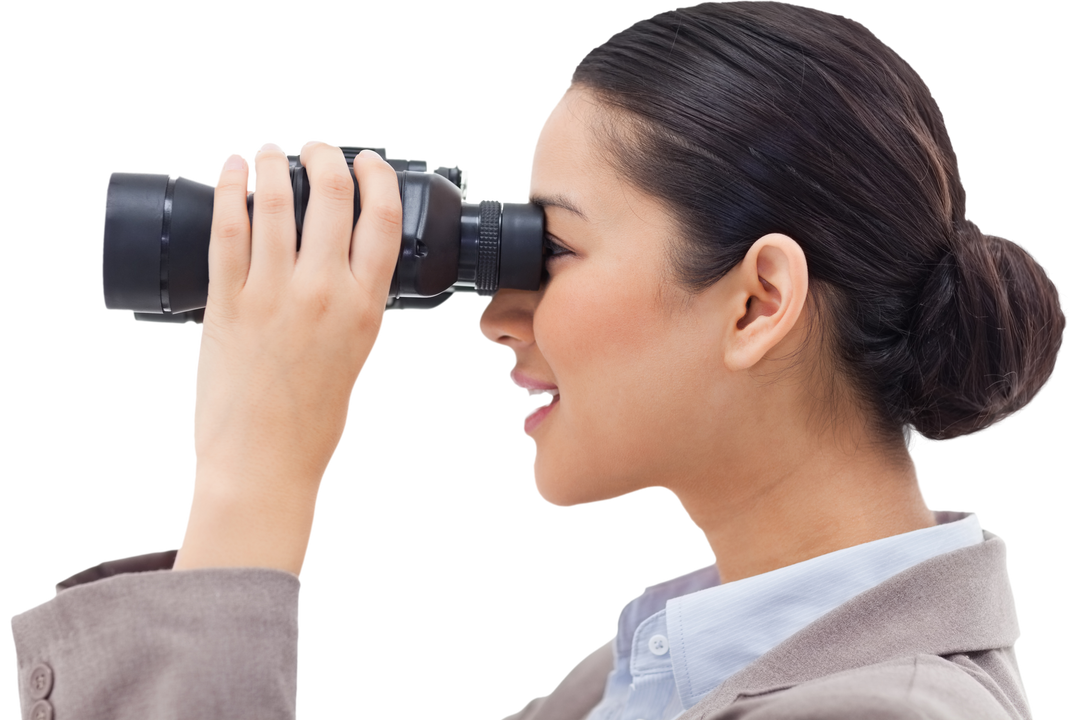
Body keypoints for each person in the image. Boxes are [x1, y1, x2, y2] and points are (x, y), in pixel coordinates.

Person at [9, 2, 1063, 719]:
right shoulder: (653, 674)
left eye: (549, 247)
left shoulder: (886, 711)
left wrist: (256, 482)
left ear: (757, 302)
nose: (496, 316)